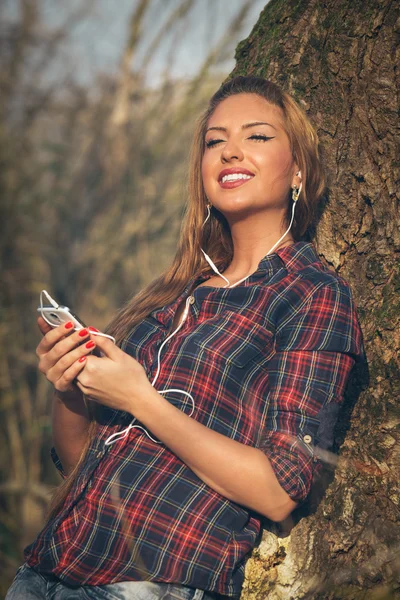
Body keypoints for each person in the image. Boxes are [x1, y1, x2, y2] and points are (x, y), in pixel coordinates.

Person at [6, 76, 366, 600]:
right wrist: (68, 388)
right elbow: (78, 455)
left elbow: (279, 490)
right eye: (214, 141)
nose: (230, 151)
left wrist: (139, 399)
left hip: (152, 581)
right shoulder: (171, 294)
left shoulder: (312, 295)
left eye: (257, 136)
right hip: (47, 570)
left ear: (299, 171)